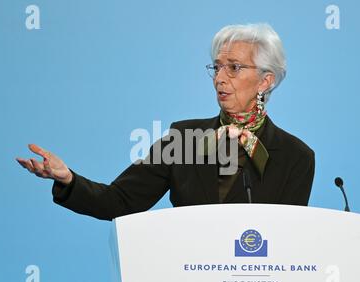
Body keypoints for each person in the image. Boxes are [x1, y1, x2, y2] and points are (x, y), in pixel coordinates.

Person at [16, 23, 315, 221]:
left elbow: (286, 245)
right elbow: (119, 201)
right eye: (217, 67)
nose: (220, 79)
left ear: (266, 81)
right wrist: (68, 178)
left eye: (234, 68)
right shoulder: (182, 139)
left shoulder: (296, 157)